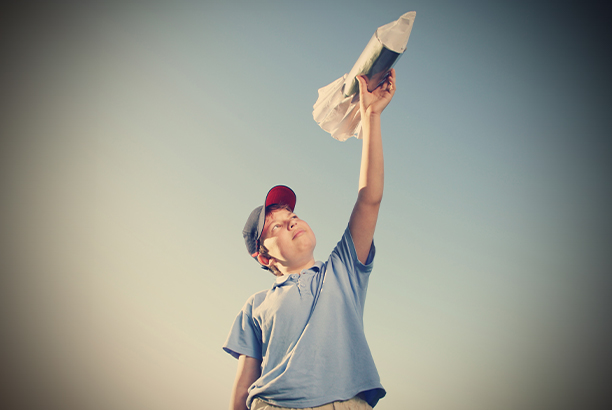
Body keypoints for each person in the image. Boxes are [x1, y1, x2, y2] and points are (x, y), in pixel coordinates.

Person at [223, 69, 397, 410]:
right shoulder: (256, 306)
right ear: (264, 257)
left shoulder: (342, 271)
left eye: (292, 216)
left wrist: (371, 115)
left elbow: (369, 198)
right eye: (276, 227)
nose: (291, 222)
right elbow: (243, 387)